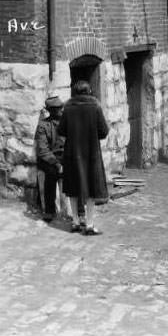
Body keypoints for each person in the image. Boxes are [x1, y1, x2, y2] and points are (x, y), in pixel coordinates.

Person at [58, 80, 109, 236]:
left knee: (73, 188)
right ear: (89, 92)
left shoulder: (67, 108)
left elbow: (61, 130)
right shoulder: (95, 107)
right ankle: (89, 224)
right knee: (91, 190)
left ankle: (74, 222)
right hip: (91, 153)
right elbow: (103, 132)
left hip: (72, 153)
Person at [34, 95, 65, 222]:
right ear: (50, 110)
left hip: (65, 157)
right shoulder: (43, 125)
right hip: (49, 159)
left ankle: (76, 210)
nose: (59, 110)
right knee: (51, 173)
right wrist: (57, 164)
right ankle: (49, 210)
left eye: (60, 107)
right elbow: (42, 150)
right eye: (56, 109)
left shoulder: (67, 122)